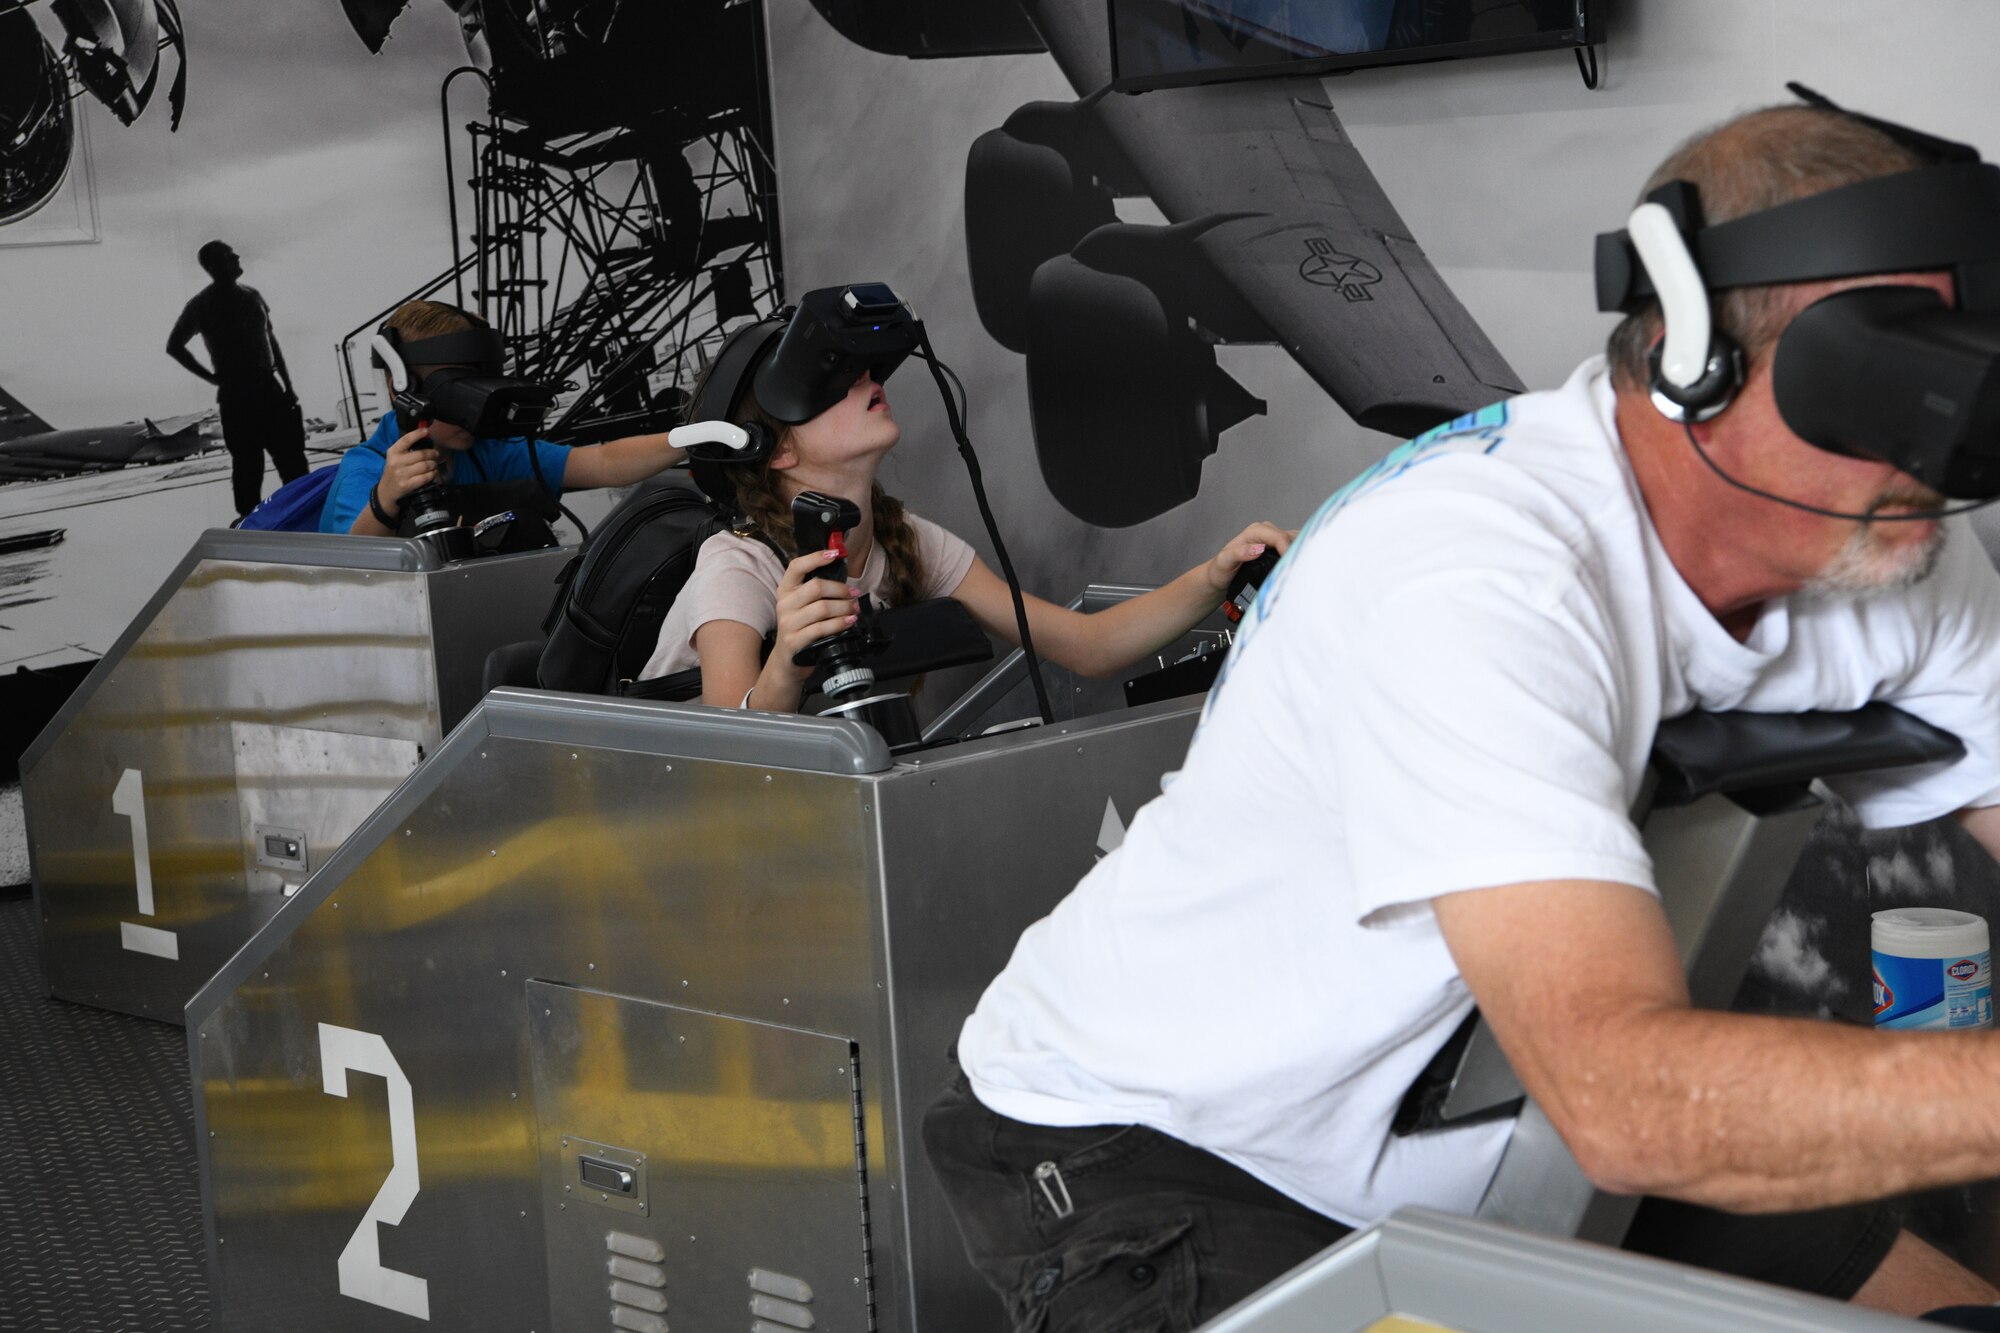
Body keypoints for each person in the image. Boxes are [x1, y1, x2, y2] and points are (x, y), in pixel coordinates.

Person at [927, 99, 2000, 1331]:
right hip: (1156, 1142)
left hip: (1471, 1097)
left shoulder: (1886, 529)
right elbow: (1626, 1102)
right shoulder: (1477, 574)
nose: (1942, 442)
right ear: (1697, 352)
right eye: (1895, 371)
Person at [635, 341, 1289, 712]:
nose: (866, 376)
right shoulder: (739, 562)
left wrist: (1213, 576)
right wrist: (786, 663)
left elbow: (1088, 647)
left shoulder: (908, 539)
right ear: (776, 449)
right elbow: (728, 746)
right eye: (829, 386)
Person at [321, 300, 686, 536]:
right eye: (460, 390)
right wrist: (384, 501)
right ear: (401, 388)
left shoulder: (489, 450)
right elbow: (356, 570)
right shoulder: (366, 471)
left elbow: (603, 462)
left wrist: (697, 435)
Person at [166, 240, 310, 517]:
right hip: (237, 396)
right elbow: (174, 346)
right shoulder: (201, 305)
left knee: (293, 464)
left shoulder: (253, 295)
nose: (237, 256)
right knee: (248, 469)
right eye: (229, 255)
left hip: (270, 389)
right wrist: (211, 379)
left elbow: (271, 341)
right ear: (213, 265)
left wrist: (288, 387)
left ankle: (306, 521)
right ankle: (250, 536)